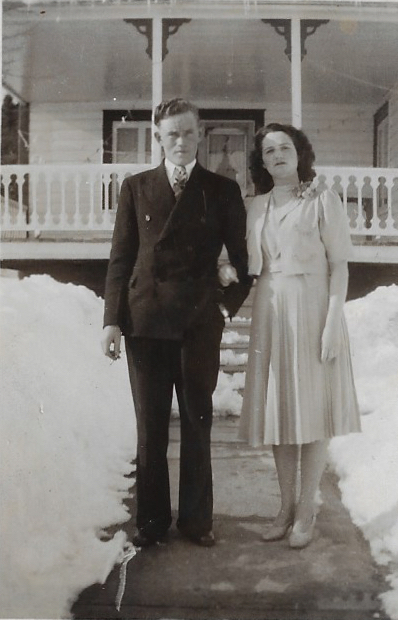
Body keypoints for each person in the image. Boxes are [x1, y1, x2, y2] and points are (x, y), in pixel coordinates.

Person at [101, 98, 251, 548]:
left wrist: (226, 307)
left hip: (197, 323)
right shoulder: (136, 186)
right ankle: (150, 522)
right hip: (144, 320)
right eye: (172, 134)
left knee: (196, 422)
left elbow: (243, 261)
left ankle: (196, 521)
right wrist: (111, 320)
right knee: (149, 427)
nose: (181, 142)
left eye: (188, 132)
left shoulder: (221, 190)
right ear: (158, 138)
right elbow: (120, 257)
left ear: (200, 133)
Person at [238, 123, 361, 548]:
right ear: (262, 161)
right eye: (268, 150)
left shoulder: (323, 200)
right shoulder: (255, 207)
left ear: (299, 153)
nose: (276, 155)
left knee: (312, 411)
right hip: (270, 309)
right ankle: (285, 505)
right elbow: (240, 259)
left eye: (284, 147)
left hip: (312, 309)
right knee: (279, 412)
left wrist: (332, 322)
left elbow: (340, 265)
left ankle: (308, 506)